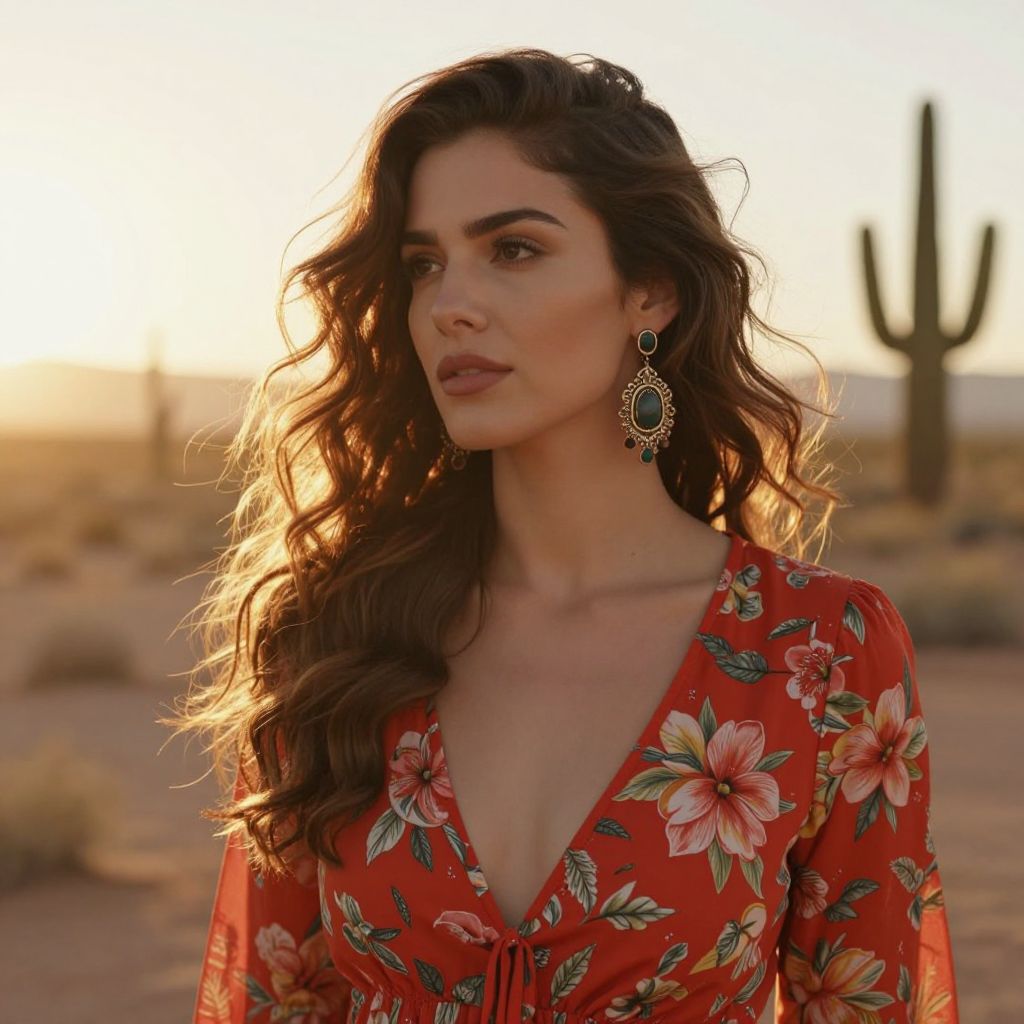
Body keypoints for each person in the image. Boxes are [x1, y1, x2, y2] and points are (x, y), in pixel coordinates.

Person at [167, 47, 960, 1024]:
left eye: (513, 249)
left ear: (649, 291)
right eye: (424, 264)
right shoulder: (339, 635)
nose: (449, 303)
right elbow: (270, 1001)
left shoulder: (819, 653)